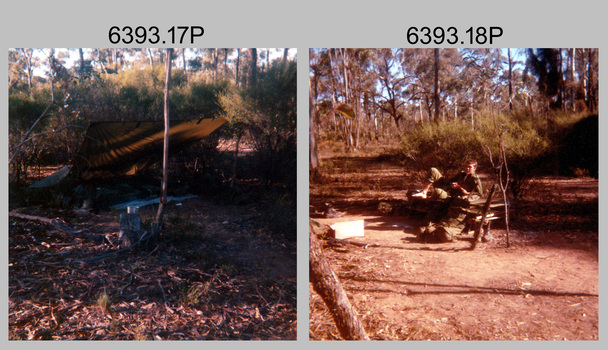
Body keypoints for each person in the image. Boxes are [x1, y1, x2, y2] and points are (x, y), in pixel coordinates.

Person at [411, 160, 483, 243]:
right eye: (466, 166)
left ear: (475, 168)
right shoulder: (461, 174)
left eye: (469, 167)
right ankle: (424, 192)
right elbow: (449, 183)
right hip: (450, 193)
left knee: (438, 193)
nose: (467, 168)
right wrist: (451, 185)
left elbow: (479, 194)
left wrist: (467, 195)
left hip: (457, 199)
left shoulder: (475, 179)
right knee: (433, 172)